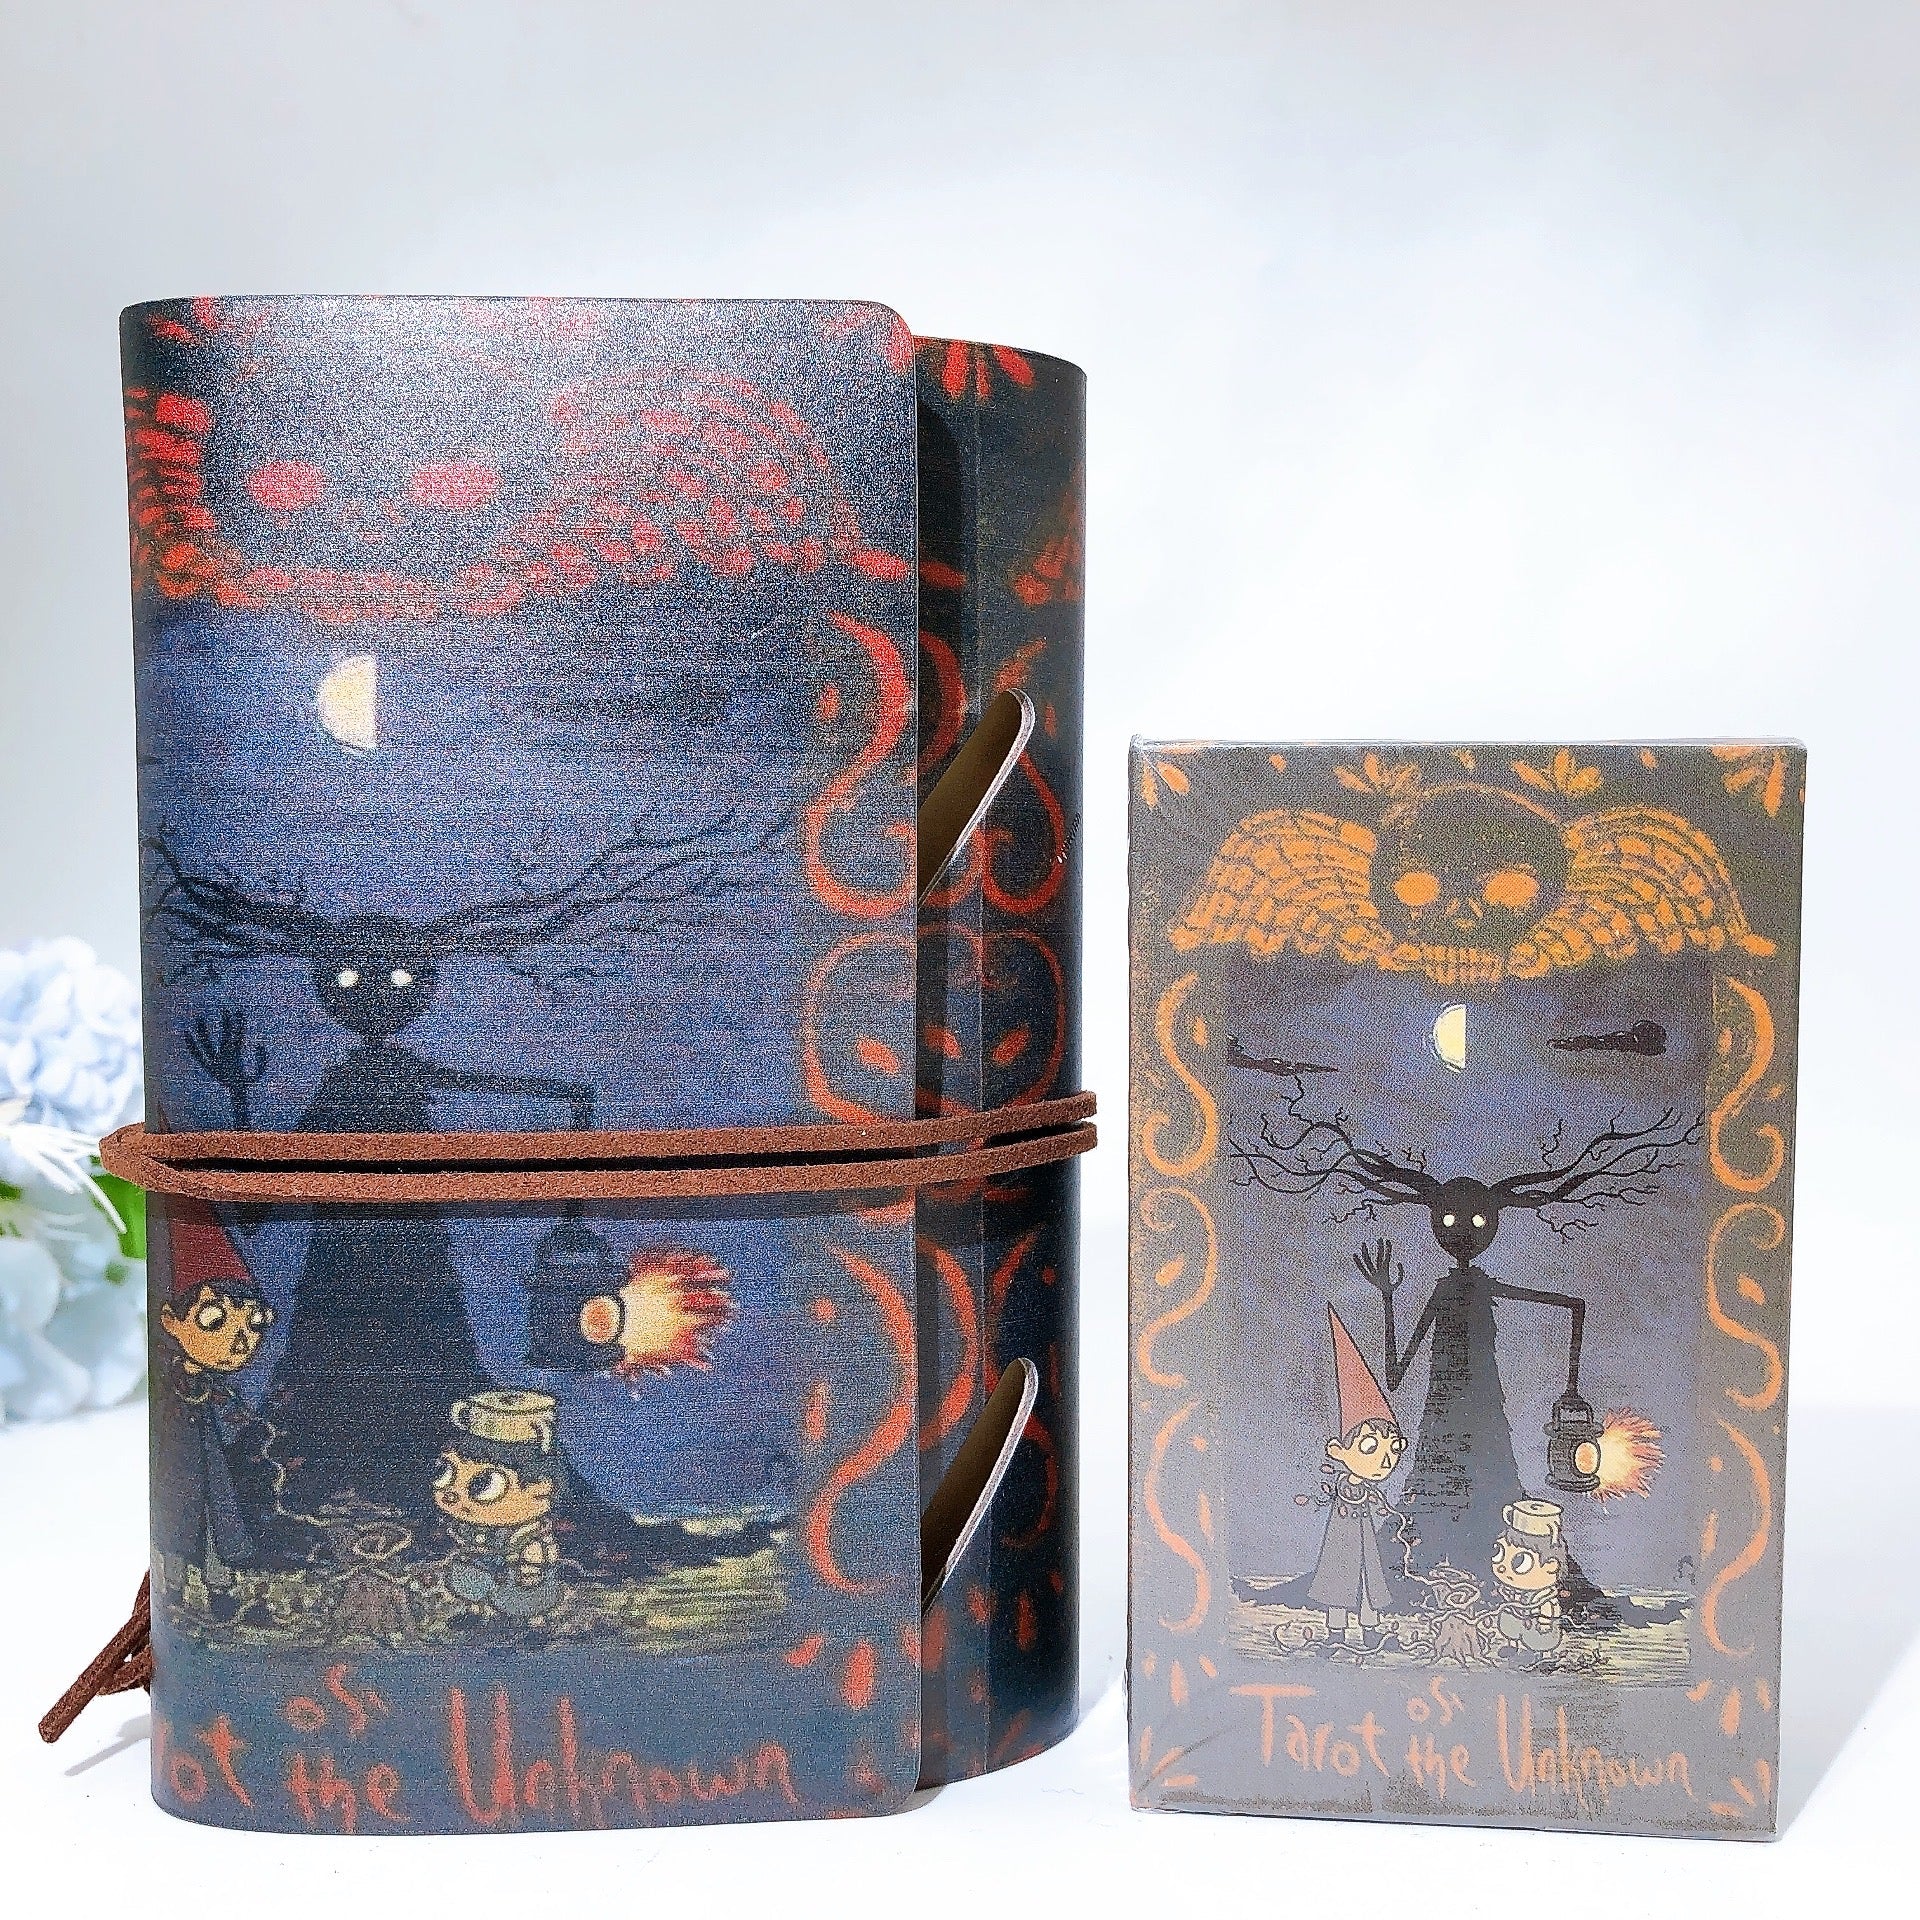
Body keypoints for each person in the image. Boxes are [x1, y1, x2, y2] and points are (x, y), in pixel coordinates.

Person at [152, 1201, 276, 1609]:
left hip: (211, 1465)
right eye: (213, 1321)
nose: (239, 1343)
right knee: (181, 1518)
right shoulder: (176, 1377)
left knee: (218, 1518)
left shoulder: (216, 1386)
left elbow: (233, 1414)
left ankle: (219, 1587)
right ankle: (177, 1584)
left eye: (253, 1324)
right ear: (171, 1321)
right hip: (180, 1464)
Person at [1304, 1306, 1407, 1648]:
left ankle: (1370, 1630)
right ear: (1337, 1450)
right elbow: (1344, 1495)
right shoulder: (1343, 1486)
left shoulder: (1368, 1490)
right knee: (1339, 1583)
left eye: (1393, 1450)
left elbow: (1379, 1504)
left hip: (1366, 1542)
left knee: (1368, 1582)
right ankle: (1335, 1631)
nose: (1384, 1461)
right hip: (1342, 1542)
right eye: (1370, 1448)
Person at [434, 1390, 567, 1623]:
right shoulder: (471, 1526)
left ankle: (530, 1621)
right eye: (445, 1474)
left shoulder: (528, 1534)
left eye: (483, 1485)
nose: (454, 1494)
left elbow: (537, 1557)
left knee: (521, 1598)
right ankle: (477, 1610)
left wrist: (530, 1566)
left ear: (541, 1488)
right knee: (467, 1576)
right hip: (481, 1567)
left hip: (520, 1581)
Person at [1490, 1497, 1568, 1660]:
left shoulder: (1544, 1596)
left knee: (1540, 1638)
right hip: (1517, 1615)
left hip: (1537, 1622)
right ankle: (1513, 1645)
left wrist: (1545, 1622)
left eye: (1520, 1561)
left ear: (1551, 1566)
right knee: (1509, 1623)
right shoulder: (1512, 1590)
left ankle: (1544, 1654)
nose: (1503, 1567)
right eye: (1499, 1552)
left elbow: (1548, 1609)